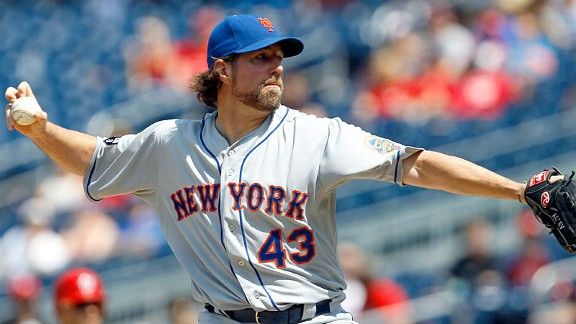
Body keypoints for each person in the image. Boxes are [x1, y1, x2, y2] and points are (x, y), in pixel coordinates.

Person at [4, 14, 531, 324]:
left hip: (314, 317)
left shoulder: (316, 135)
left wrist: (518, 193)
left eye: (279, 56)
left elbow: (417, 166)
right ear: (222, 70)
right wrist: (41, 130)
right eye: (259, 58)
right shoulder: (169, 146)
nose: (276, 65)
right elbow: (94, 160)